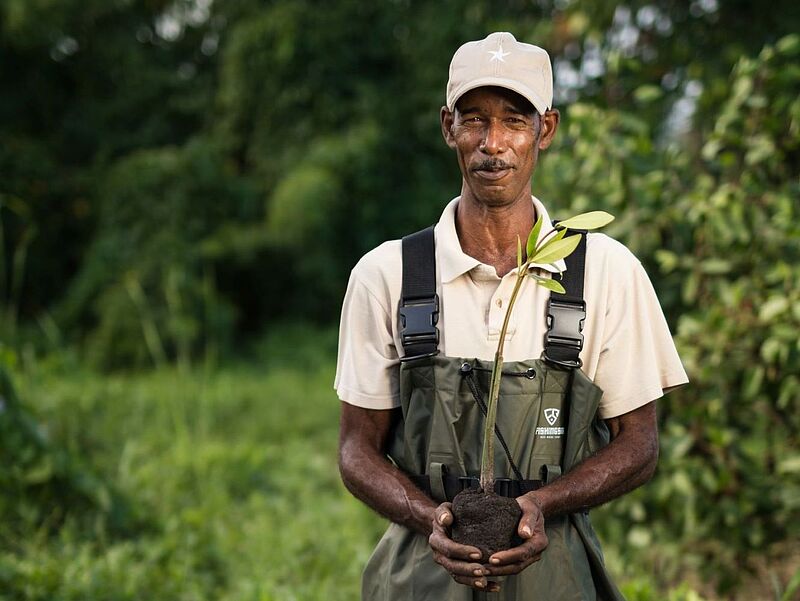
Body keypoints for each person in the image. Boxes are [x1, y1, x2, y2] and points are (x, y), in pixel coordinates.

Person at [335, 31, 688, 600]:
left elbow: (639, 443)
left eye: (513, 122)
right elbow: (356, 448)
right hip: (421, 578)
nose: (491, 144)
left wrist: (542, 504)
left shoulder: (604, 271)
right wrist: (431, 519)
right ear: (448, 126)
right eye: (474, 120)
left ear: (544, 130)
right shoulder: (387, 275)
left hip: (557, 578)